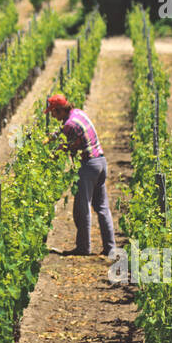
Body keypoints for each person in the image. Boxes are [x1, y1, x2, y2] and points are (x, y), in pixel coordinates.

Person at [46, 93, 116, 257]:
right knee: (102, 207)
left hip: (88, 166)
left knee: (81, 209)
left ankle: (84, 248)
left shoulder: (70, 124)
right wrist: (48, 139)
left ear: (59, 110)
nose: (52, 116)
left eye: (53, 112)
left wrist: (50, 157)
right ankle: (110, 247)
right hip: (101, 162)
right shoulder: (77, 113)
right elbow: (62, 130)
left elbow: (65, 146)